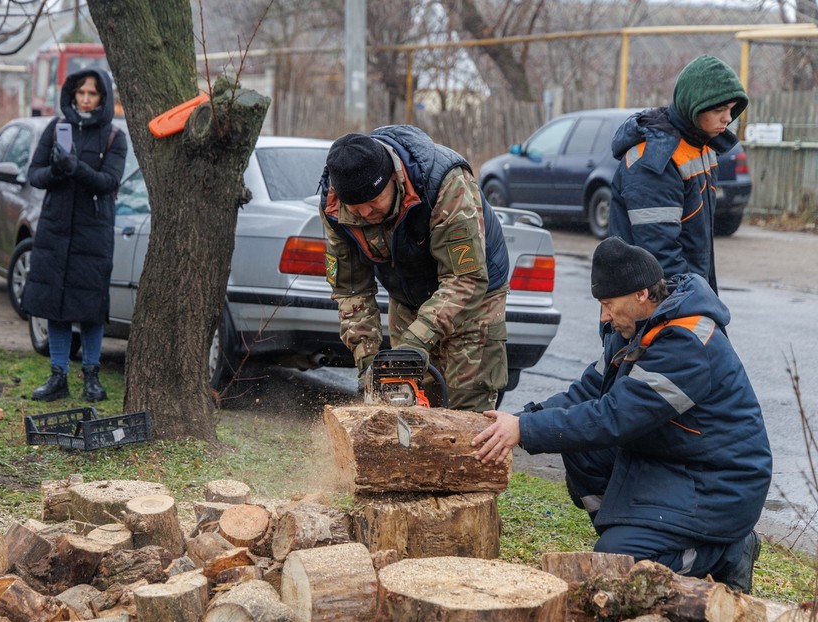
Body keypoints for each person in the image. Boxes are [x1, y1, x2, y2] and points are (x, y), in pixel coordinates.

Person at [472, 237, 771, 593]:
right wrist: (519, 420)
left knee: (619, 564)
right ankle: (630, 530)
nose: (604, 315)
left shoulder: (687, 344)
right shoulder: (632, 330)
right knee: (581, 451)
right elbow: (585, 393)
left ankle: (726, 552)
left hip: (722, 481)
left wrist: (525, 429)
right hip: (675, 459)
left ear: (641, 295)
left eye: (609, 304)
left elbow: (613, 417)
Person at [319, 126, 510, 412]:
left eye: (373, 203)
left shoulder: (446, 185)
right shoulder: (335, 208)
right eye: (355, 208)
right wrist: (368, 364)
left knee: (466, 406)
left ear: (393, 180)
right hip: (408, 294)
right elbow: (351, 290)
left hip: (473, 296)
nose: (365, 214)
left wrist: (415, 342)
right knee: (405, 398)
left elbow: (466, 279)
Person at [24, 68, 127, 402]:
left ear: (103, 97)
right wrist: (56, 169)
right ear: (71, 94)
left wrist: (75, 168)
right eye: (80, 92)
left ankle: (92, 378)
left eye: (92, 93)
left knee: (90, 307)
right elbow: (35, 175)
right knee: (56, 306)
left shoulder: (114, 136)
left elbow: (109, 182)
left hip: (92, 233)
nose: (84, 99)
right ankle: (58, 376)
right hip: (55, 229)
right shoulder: (56, 129)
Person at [610, 55, 749, 293]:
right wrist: (695, 304)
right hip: (653, 308)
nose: (728, 118)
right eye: (719, 109)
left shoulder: (702, 145)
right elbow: (659, 258)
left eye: (730, 109)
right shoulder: (655, 159)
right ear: (693, 107)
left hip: (687, 295)